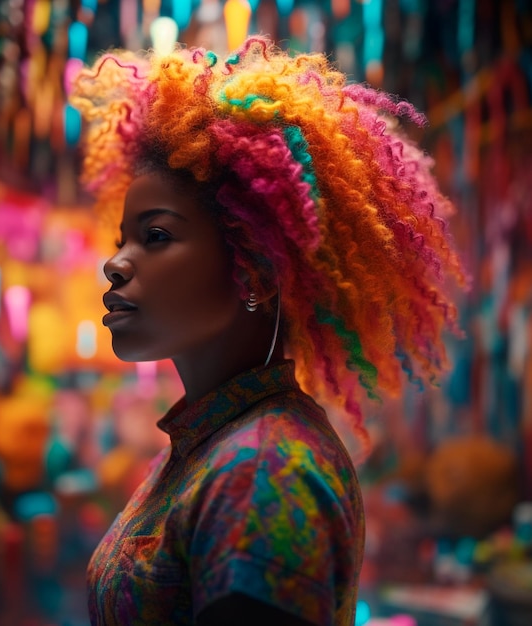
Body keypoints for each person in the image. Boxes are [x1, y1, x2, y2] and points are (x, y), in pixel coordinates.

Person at [70, 36, 467, 626]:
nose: (117, 263)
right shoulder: (217, 443)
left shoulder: (262, 470)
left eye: (155, 236)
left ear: (252, 269)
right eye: (121, 240)